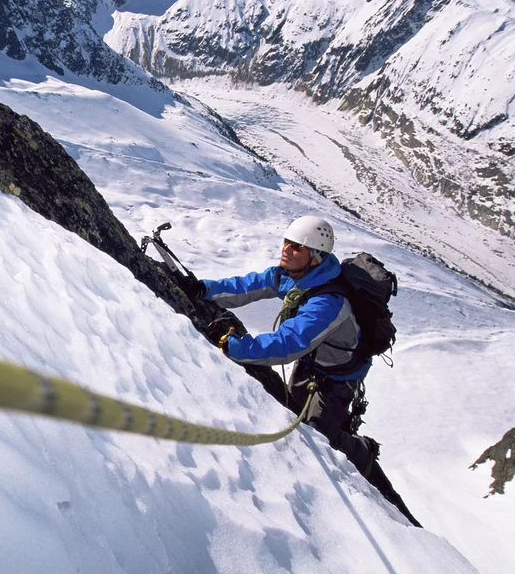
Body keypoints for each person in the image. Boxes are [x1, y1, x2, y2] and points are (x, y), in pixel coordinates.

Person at [177, 215, 421, 526]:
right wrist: (204, 289)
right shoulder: (297, 275)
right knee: (296, 419)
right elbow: (252, 285)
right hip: (313, 364)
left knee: (321, 438)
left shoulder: (329, 303)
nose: (287, 250)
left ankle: (362, 450)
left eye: (297, 247)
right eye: (287, 243)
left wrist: (238, 347)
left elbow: (289, 343)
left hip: (335, 379)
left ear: (315, 256)